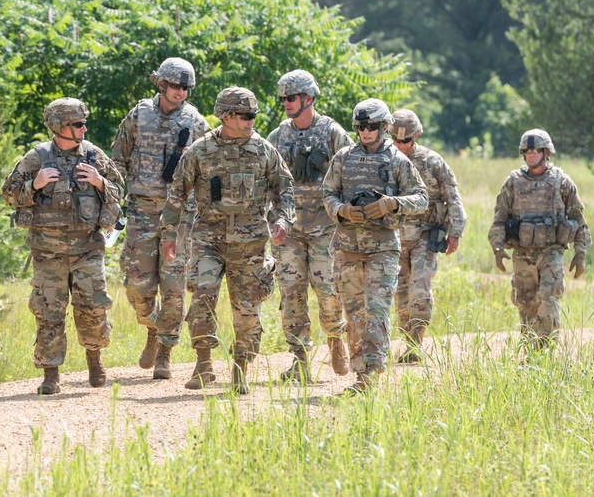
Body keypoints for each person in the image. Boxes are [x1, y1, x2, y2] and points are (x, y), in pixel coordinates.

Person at [160, 87, 296, 394]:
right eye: (245, 116)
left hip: (250, 243)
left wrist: (283, 219)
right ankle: (204, 365)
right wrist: (169, 233)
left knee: (247, 309)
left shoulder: (264, 150)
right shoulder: (200, 150)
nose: (251, 121)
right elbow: (178, 193)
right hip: (209, 239)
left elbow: (284, 190)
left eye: (253, 116)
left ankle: (240, 369)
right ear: (226, 116)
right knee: (202, 298)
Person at [2, 98, 124, 395]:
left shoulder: (95, 156)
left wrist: (99, 183)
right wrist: (35, 185)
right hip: (48, 251)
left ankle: (94, 358)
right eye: (77, 124)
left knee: (93, 308)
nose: (84, 128)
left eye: (84, 123)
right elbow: (8, 194)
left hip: (88, 248)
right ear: (59, 127)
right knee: (48, 312)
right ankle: (51, 373)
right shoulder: (36, 159)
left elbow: (120, 190)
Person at [111, 57, 209, 380]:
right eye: (175, 86)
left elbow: (211, 166)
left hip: (180, 217)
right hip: (141, 211)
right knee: (137, 286)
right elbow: (117, 162)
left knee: (174, 286)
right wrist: (111, 206)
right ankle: (153, 325)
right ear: (161, 84)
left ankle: (165, 351)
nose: (180, 92)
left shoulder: (195, 123)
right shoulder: (139, 116)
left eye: (186, 87)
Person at [322, 99, 427, 393]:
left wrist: (393, 203)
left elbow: (421, 198)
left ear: (383, 127)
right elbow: (328, 192)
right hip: (347, 247)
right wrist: (342, 210)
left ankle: (373, 373)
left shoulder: (397, 161)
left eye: (371, 127)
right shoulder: (343, 158)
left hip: (382, 247)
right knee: (354, 313)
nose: (365, 132)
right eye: (360, 127)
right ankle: (360, 372)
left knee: (377, 310)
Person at [266, 70, 352, 382]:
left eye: (291, 98)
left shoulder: (331, 131)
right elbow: (266, 177)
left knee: (328, 290)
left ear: (308, 99)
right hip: (289, 228)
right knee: (291, 293)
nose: (286, 103)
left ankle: (335, 339)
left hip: (326, 228)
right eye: (283, 99)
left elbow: (353, 166)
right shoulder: (278, 136)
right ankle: (300, 358)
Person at [487, 129, 591, 348]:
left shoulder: (562, 182)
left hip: (551, 251)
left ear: (546, 153)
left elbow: (578, 219)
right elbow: (500, 218)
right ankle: (531, 350)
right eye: (527, 151)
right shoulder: (513, 182)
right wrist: (497, 247)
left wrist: (580, 253)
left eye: (536, 150)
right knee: (525, 302)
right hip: (522, 253)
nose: (531, 154)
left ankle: (546, 351)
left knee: (548, 297)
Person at [389, 109, 467, 363]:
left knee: (420, 288)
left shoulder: (432, 161)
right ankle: (407, 340)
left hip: (425, 234)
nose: (400, 146)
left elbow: (452, 196)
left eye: (406, 141)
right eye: (395, 140)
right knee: (401, 294)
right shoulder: (383, 159)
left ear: (417, 136)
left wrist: (455, 232)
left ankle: (415, 344)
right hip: (394, 237)